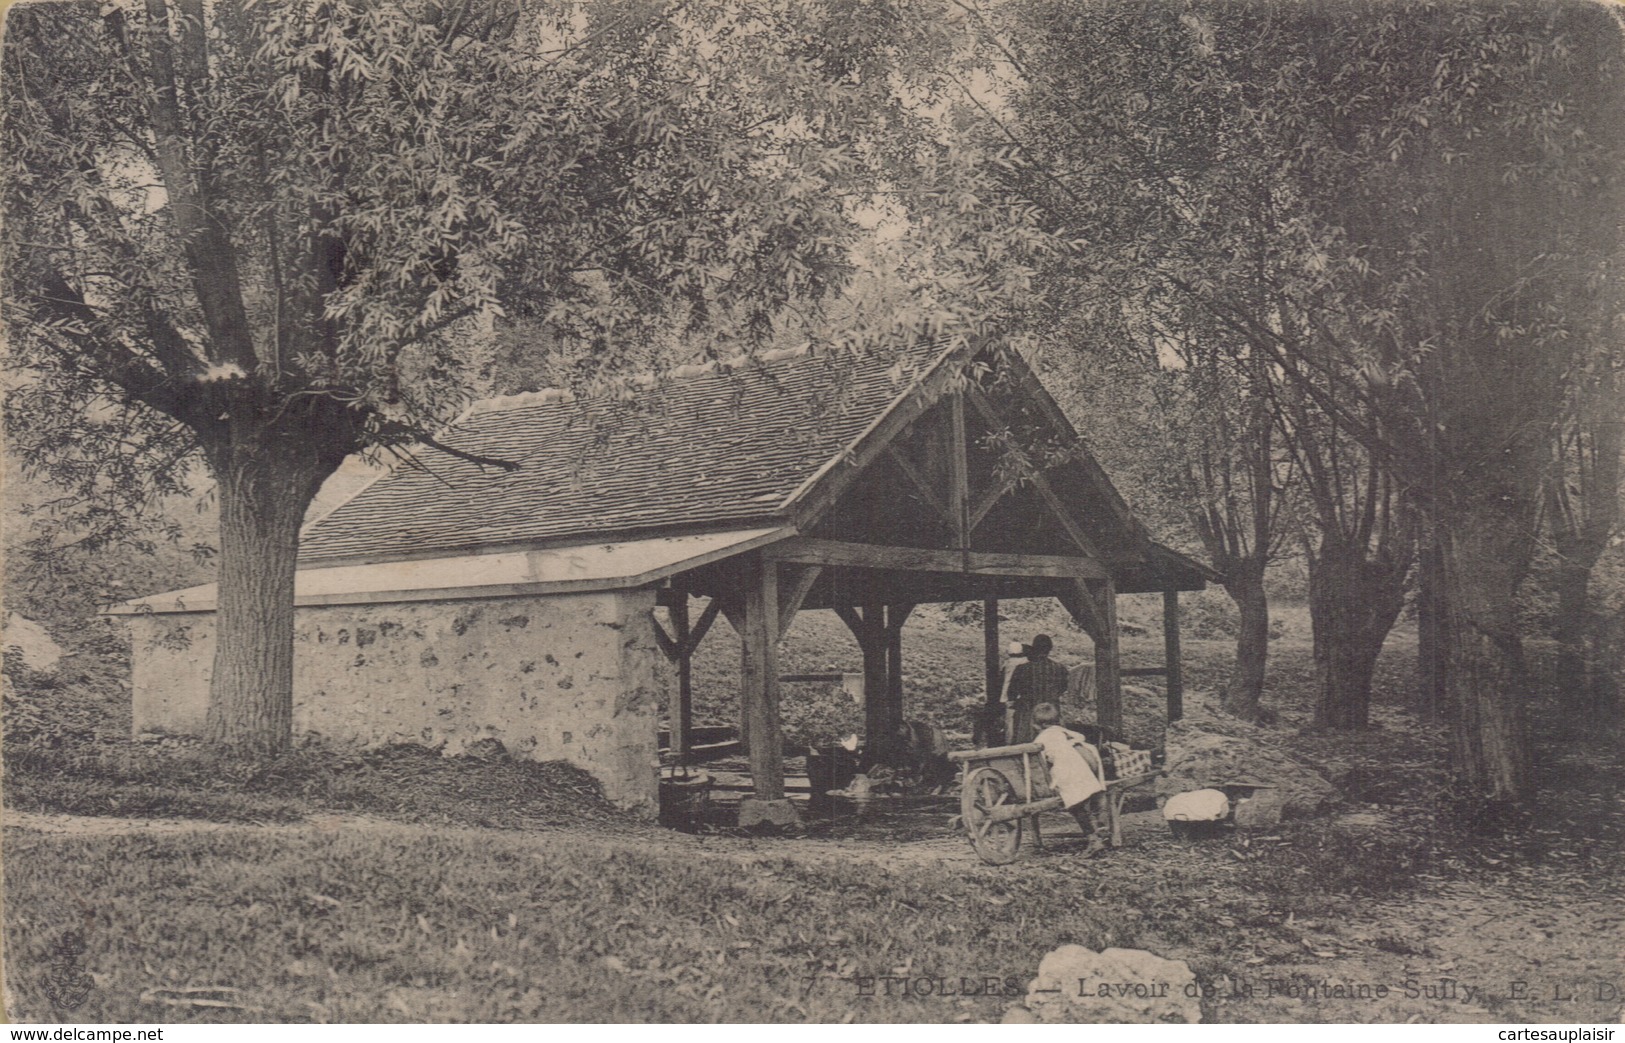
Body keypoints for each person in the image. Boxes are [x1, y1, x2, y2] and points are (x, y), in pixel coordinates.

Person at [1031, 701, 1108, 856]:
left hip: (1067, 772)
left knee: (1076, 804)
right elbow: (1080, 737)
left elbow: (1040, 763)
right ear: (1058, 721)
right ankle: (1101, 829)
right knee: (1089, 801)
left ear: (1036, 725)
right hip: (1084, 769)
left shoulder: (1040, 740)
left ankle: (1094, 840)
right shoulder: (1063, 732)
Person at [1006, 633, 1068, 744]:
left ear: (1034, 648)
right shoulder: (1060, 668)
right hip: (1052, 712)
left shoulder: (1023, 668)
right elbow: (1063, 688)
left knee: (1025, 744)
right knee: (1054, 742)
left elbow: (1012, 692)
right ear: (1050, 648)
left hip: (1028, 712)